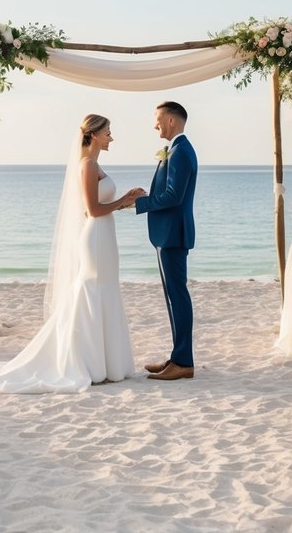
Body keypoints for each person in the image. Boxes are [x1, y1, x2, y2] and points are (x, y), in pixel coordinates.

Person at [0, 114, 142, 393]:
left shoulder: (95, 164)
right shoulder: (87, 165)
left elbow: (97, 206)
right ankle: (88, 361)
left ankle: (106, 362)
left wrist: (125, 203)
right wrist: (123, 200)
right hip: (95, 236)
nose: (111, 138)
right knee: (91, 290)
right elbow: (92, 210)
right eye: (108, 133)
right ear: (93, 135)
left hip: (105, 235)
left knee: (105, 289)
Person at [133, 100, 197, 381]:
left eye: (158, 119)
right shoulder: (176, 149)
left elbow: (174, 196)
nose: (154, 124)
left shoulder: (181, 152)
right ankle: (177, 356)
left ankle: (183, 361)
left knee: (178, 297)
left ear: (171, 121)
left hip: (172, 235)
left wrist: (141, 202)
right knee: (173, 297)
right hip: (166, 234)